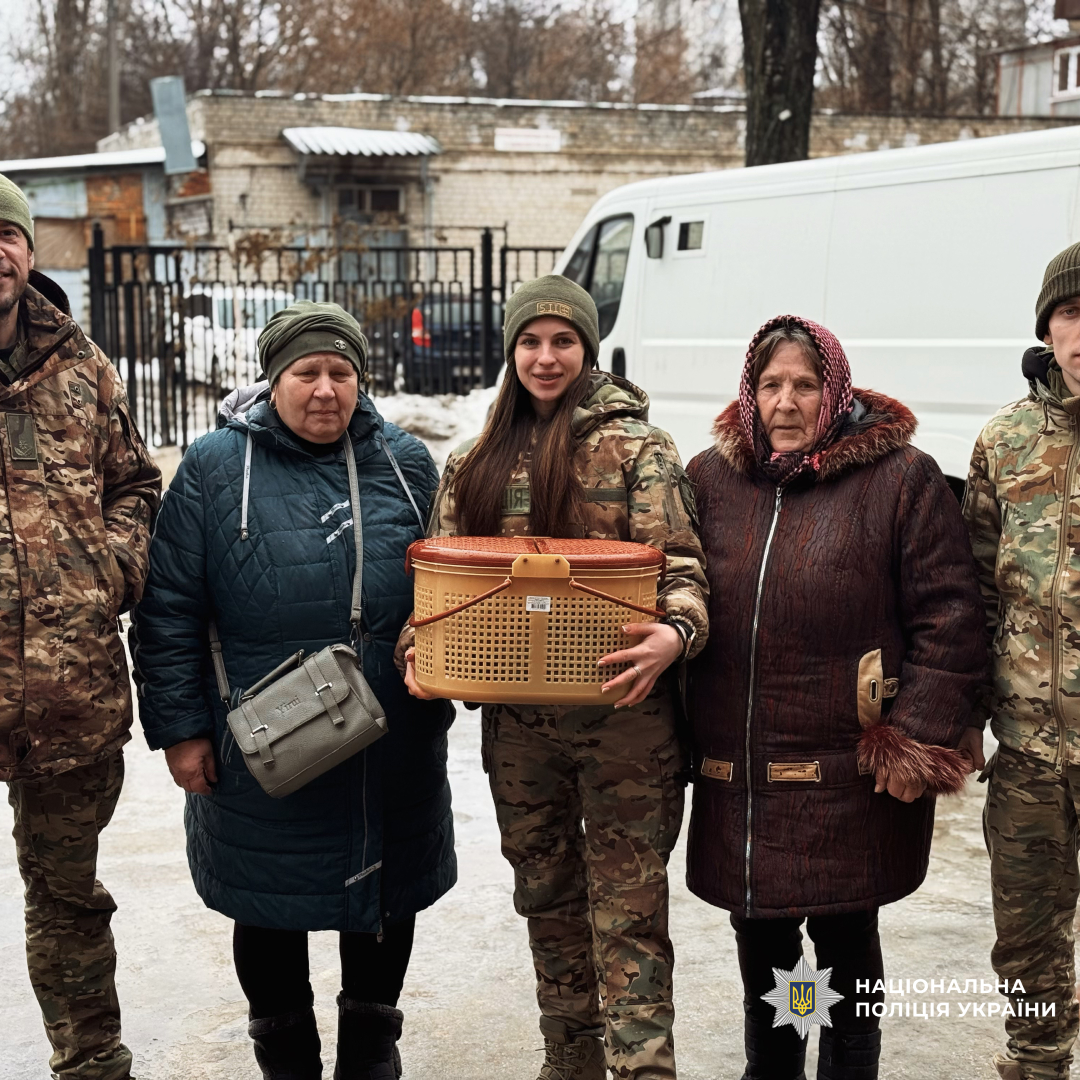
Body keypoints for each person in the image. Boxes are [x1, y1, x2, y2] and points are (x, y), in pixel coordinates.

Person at [131, 301, 456, 1080]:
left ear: (361, 381)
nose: (324, 390)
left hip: (391, 740)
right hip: (261, 742)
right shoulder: (214, 468)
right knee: (268, 903)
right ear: (273, 380)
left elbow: (449, 589)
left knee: (384, 895)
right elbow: (168, 608)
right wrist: (181, 729)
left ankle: (371, 1055)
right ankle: (287, 1062)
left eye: (341, 372)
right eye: (306, 372)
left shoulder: (407, 463)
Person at [399, 275, 709, 1080]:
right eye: (530, 342)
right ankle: (568, 1063)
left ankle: (645, 1068)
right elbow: (438, 588)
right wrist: (417, 652)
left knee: (630, 914)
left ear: (586, 348)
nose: (545, 357)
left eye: (562, 341)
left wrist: (677, 635)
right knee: (546, 900)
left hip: (627, 724)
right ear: (511, 350)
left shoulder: (643, 450)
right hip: (520, 735)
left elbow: (685, 570)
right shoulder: (475, 459)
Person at [685, 314, 987, 1080]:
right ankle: (777, 1066)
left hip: (848, 776)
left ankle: (848, 1068)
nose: (786, 403)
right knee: (768, 949)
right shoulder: (711, 481)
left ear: (836, 394)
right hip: (744, 774)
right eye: (770, 385)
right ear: (750, 393)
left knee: (846, 944)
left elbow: (950, 615)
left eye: (805, 386)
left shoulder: (900, 481)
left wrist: (916, 733)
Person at [0, 173, 161, 1080]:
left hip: (69, 690)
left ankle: (91, 1064)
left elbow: (135, 483)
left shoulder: (84, 367)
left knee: (65, 897)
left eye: (7, 234)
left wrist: (114, 568)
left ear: (27, 249)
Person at [964, 241, 1080, 1080]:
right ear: (1048, 327)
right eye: (1072, 314)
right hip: (1033, 756)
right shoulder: (1005, 442)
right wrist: (965, 720)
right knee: (1029, 938)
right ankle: (1038, 1065)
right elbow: (972, 593)